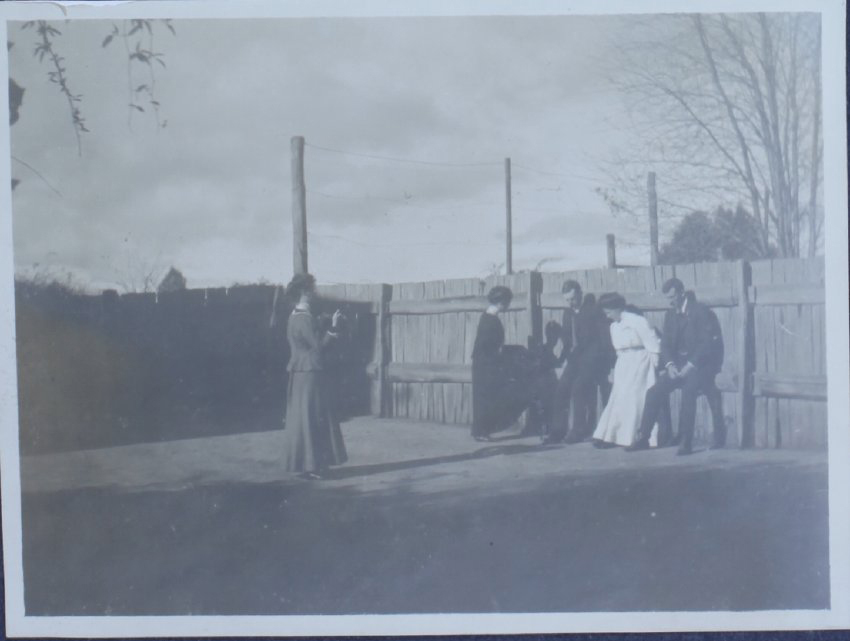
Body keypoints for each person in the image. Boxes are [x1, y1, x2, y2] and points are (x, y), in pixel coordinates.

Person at [627, 278, 725, 456]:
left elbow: (706, 345)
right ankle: (643, 438)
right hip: (678, 365)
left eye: (672, 297)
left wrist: (691, 365)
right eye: (667, 298)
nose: (670, 301)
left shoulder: (700, 311)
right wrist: (670, 365)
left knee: (689, 391)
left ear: (681, 292)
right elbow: (665, 345)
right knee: (654, 391)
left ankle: (685, 442)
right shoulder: (670, 314)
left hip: (701, 365)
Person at [281, 273, 348, 479]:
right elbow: (318, 347)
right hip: (310, 373)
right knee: (314, 416)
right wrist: (334, 329)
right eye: (312, 289)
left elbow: (308, 338)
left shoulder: (295, 316)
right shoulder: (304, 318)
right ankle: (314, 466)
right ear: (304, 292)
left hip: (300, 372)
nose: (314, 293)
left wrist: (323, 322)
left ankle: (307, 464)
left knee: (303, 418)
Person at [546, 281, 616, 444]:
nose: (571, 302)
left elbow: (604, 337)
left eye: (572, 298)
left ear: (580, 293)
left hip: (594, 358)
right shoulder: (567, 313)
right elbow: (567, 341)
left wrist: (611, 363)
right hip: (575, 358)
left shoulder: (594, 310)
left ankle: (578, 430)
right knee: (562, 387)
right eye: (567, 300)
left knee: (578, 387)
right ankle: (558, 431)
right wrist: (561, 362)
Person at [591, 293, 662, 448]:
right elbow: (618, 350)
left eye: (609, 312)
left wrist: (654, 366)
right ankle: (613, 436)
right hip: (624, 364)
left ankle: (636, 437)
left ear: (617, 308)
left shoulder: (637, 321)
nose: (607, 316)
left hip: (640, 362)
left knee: (634, 399)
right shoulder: (613, 326)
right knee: (619, 398)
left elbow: (653, 343)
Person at [471, 286, 530, 441]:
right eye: (508, 301)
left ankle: (481, 431)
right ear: (502, 302)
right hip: (486, 364)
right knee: (486, 398)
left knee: (485, 397)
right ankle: (481, 431)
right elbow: (487, 346)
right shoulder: (491, 320)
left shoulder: (487, 316)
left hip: (483, 363)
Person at [527, 320, 567, 440]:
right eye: (551, 335)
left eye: (555, 336)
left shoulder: (553, 349)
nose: (553, 338)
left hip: (547, 382)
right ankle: (548, 425)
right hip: (543, 383)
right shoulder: (544, 350)